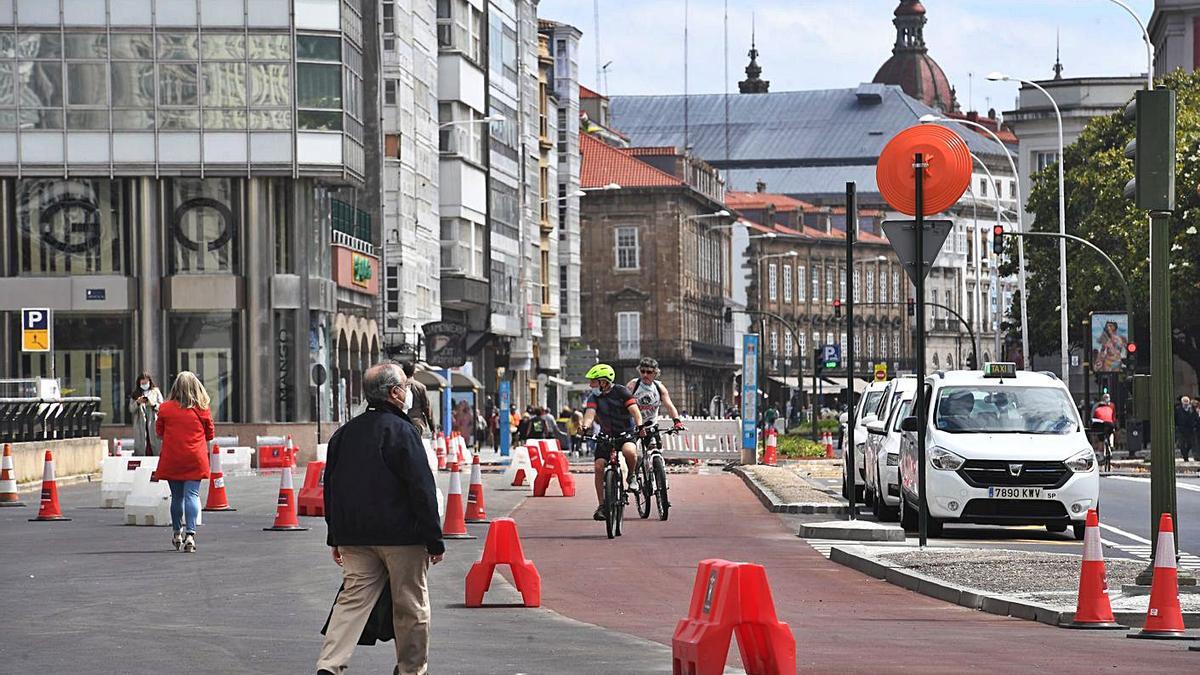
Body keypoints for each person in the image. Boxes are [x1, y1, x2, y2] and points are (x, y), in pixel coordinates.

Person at [317, 362, 444, 675]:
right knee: (410, 604)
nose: (406, 393)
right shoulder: (403, 432)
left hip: (355, 536)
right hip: (402, 536)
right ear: (395, 393)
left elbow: (330, 486)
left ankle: (329, 665)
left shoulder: (343, 435)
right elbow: (421, 488)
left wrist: (335, 535)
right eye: (403, 387)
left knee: (352, 601)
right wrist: (434, 538)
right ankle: (411, 669)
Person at [154, 371, 215, 553]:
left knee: (177, 497)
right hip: (195, 457)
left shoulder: (165, 408)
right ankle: (190, 534)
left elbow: (159, 432)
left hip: (173, 457)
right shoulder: (202, 408)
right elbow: (210, 433)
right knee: (192, 495)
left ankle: (176, 533)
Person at [581, 363, 643, 521]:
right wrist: (585, 426)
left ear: (603, 381)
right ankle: (602, 505)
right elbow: (590, 413)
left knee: (630, 452)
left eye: (593, 381)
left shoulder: (622, 391)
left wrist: (640, 426)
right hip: (606, 436)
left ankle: (632, 476)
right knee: (599, 466)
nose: (590, 385)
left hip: (625, 433)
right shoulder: (594, 397)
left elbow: (635, 411)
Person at [625, 357, 684, 433]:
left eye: (649, 372)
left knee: (654, 445)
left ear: (655, 373)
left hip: (651, 427)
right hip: (633, 426)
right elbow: (622, 404)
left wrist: (677, 421)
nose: (645, 375)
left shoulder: (660, 387)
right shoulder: (632, 385)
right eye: (642, 371)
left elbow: (669, 406)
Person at [128, 372, 164, 456]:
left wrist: (153, 404)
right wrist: (137, 402)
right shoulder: (135, 393)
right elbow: (131, 409)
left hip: (153, 421)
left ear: (150, 382)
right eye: (142, 383)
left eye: (146, 383)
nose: (144, 385)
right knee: (141, 445)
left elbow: (162, 407)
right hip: (140, 423)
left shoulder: (156, 391)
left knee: (155, 444)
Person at [400, 362, 431, 437]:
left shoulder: (399, 386)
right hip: (417, 423)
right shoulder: (420, 387)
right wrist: (432, 426)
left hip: (401, 422)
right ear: (414, 371)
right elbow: (427, 408)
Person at [1175, 395, 1195, 462]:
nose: (1186, 403)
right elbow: (1176, 418)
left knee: (1190, 444)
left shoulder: (1192, 409)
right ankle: (1185, 457)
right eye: (1184, 401)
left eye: (1187, 401)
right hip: (1181, 429)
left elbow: (1194, 417)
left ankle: (1186, 454)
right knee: (1182, 444)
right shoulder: (1178, 409)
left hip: (1190, 430)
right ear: (1182, 402)